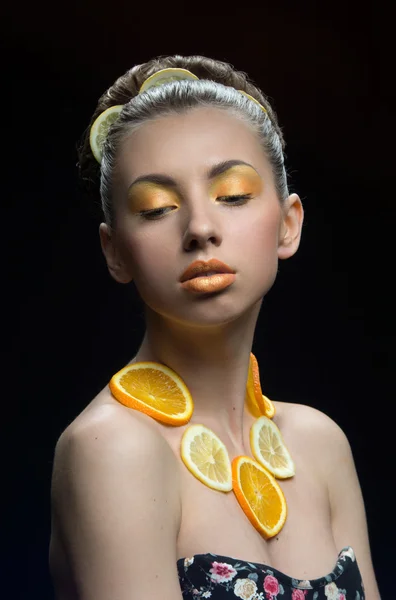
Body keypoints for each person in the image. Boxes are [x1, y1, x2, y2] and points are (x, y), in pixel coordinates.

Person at [49, 55, 380, 599]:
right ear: (115, 252)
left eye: (232, 196)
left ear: (288, 223)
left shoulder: (321, 446)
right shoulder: (114, 449)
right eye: (156, 207)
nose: (200, 228)